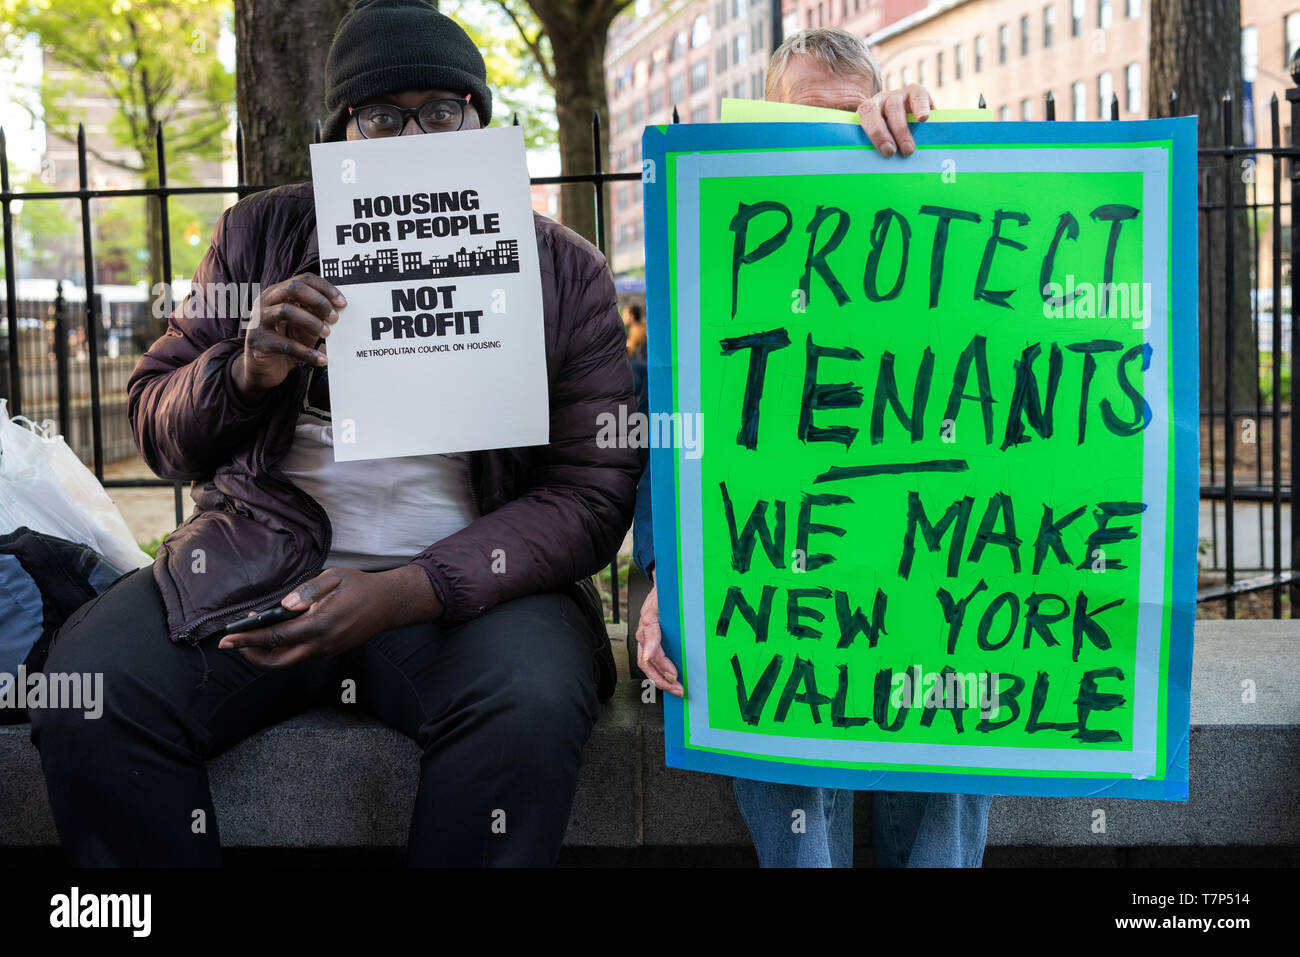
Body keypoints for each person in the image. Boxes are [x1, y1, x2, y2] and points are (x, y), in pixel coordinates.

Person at [30, 0, 639, 867]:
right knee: (91, 693)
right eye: (382, 115)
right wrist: (244, 372)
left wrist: (406, 591)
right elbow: (158, 427)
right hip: (256, 570)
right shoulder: (257, 235)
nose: (412, 135)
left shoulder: (561, 269)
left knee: (530, 705)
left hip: (471, 594)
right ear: (342, 133)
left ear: (477, 120)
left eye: (441, 111)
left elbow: (590, 494)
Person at [631, 27, 994, 868]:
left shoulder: (936, 236)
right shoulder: (710, 271)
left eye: (846, 121)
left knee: (953, 732)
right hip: (782, 580)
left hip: (921, 572)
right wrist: (663, 583)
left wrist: (932, 132)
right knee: (772, 723)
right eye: (799, 123)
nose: (825, 147)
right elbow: (667, 448)